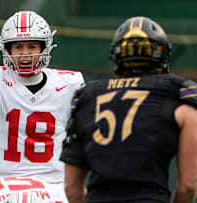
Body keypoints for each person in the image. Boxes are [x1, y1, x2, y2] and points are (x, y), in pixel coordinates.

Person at [60, 16, 197, 203]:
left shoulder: (87, 96)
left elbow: (72, 187)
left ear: (117, 55)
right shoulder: (178, 93)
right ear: (162, 55)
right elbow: (188, 185)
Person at [0, 10, 85, 202]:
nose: (25, 54)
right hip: (4, 183)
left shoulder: (69, 83)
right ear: (7, 50)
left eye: (32, 46)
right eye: (18, 47)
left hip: (52, 184)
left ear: (44, 47)